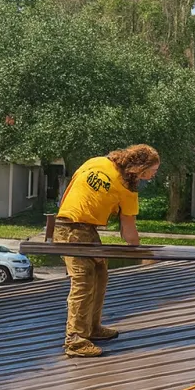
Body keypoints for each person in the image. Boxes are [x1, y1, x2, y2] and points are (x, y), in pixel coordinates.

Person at [54, 144, 160, 358]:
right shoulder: (126, 187)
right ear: (139, 168)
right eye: (152, 171)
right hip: (72, 229)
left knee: (100, 274)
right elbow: (128, 230)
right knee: (83, 281)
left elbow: (69, 190)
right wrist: (141, 253)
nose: (153, 176)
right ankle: (75, 340)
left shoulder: (96, 162)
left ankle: (92, 328)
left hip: (82, 228)